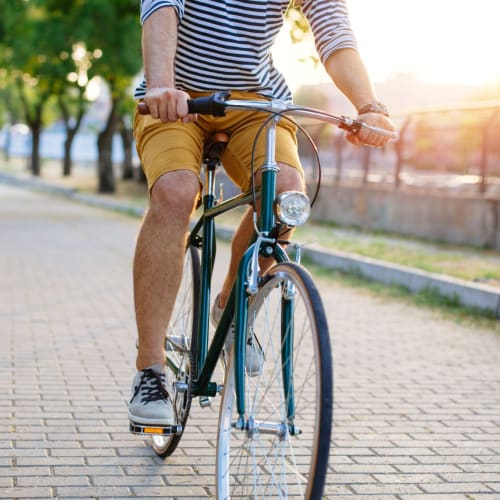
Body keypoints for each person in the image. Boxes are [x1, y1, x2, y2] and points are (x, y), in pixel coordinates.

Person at [129, 0, 397, 427]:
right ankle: (150, 368)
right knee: (176, 192)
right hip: (176, 96)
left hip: (254, 101)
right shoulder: (168, 87)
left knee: (287, 195)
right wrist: (161, 84)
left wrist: (369, 105)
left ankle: (231, 309)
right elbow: (161, 5)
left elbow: (333, 29)